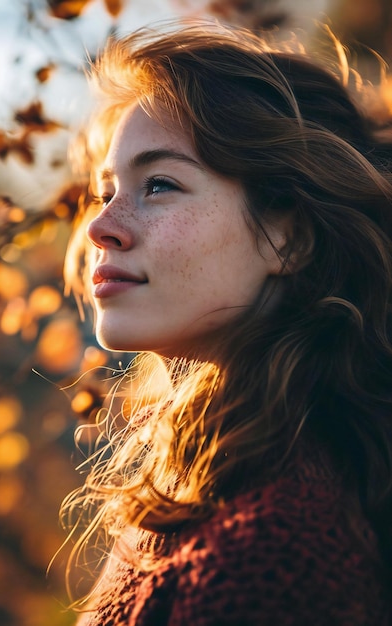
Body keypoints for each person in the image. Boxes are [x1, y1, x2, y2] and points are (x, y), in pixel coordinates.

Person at [62, 19, 392, 625]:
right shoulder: (192, 481)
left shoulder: (270, 556)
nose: (99, 226)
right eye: (106, 191)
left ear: (288, 238)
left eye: (158, 184)